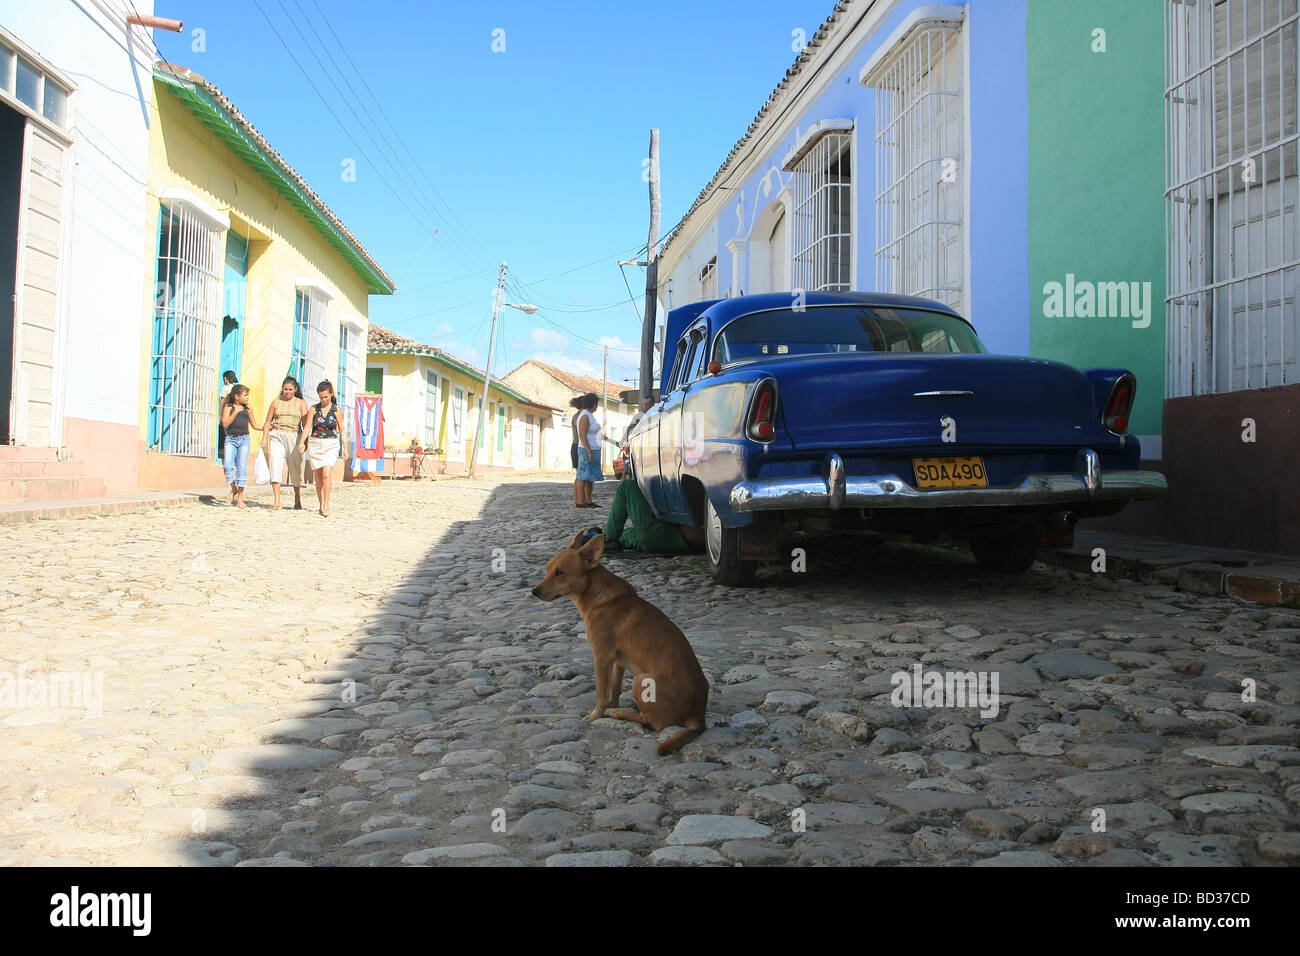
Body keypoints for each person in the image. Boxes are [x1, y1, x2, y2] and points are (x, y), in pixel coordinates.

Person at [600, 477, 704, 554]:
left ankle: (609, 538)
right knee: (628, 535)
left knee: (626, 486)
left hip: (664, 535)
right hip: (659, 538)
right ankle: (601, 538)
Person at [299, 380, 346, 517]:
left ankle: (326, 503)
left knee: (326, 473)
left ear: (331, 394)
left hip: (330, 444)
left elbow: (342, 430)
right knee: (318, 476)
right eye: (321, 397)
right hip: (315, 443)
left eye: (326, 396)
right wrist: (302, 443)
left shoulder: (336, 410)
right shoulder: (314, 409)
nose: (324, 400)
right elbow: (307, 427)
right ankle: (321, 504)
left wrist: (346, 448)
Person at [263, 375, 309, 511]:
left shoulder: (300, 403)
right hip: (277, 435)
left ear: (295, 389)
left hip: (294, 436)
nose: (287, 392)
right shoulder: (276, 403)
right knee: (275, 465)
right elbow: (268, 421)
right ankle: (277, 500)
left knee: (294, 467)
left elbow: (306, 425)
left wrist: (304, 443)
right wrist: (265, 437)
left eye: (290, 389)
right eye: (285, 389)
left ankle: (297, 498)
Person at [219, 384, 261, 508]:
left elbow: (254, 425)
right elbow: (225, 423)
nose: (248, 398)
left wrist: (266, 427)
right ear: (237, 396)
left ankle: (240, 499)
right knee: (227, 465)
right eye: (245, 395)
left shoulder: (248, 408)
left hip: (244, 440)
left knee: (241, 467)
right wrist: (235, 412)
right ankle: (234, 488)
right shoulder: (229, 407)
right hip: (231, 439)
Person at [574, 392, 603, 508]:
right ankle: (580, 501)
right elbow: (582, 435)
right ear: (594, 404)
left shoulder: (589, 415)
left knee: (590, 477)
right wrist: (589, 452)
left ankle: (588, 500)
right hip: (587, 449)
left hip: (594, 448)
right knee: (583, 475)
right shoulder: (585, 416)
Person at [217, 370, 238, 460]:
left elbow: (222, 403)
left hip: (226, 413)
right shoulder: (236, 389)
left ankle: (225, 453)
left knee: (226, 434)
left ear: (226, 378)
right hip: (234, 414)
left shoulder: (225, 389)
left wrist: (220, 415)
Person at [568, 396, 582, 505]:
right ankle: (578, 499)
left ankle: (579, 499)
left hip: (576, 446)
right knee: (580, 475)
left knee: (580, 474)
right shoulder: (578, 417)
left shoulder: (577, 416)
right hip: (578, 446)